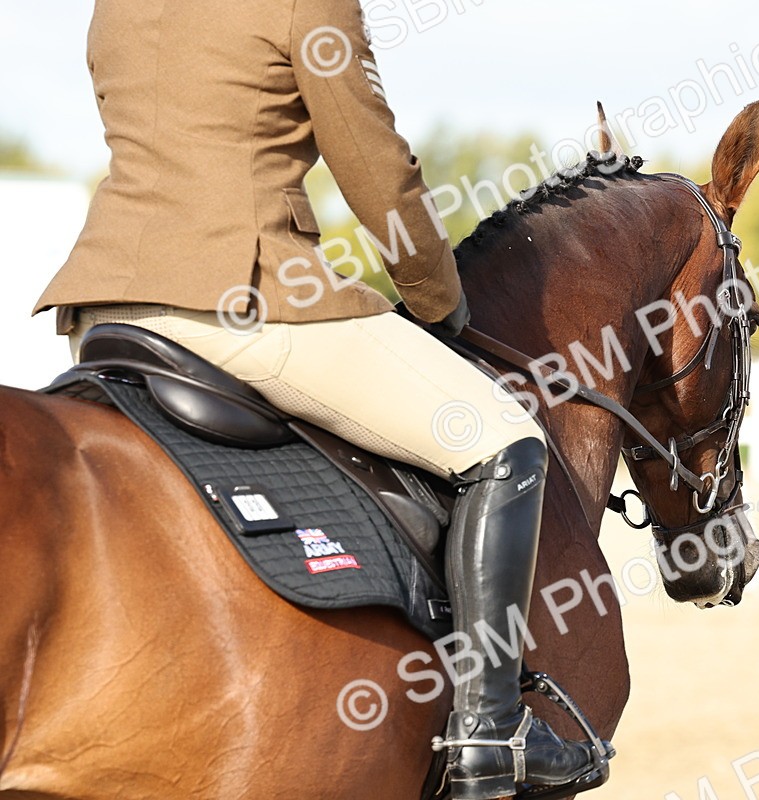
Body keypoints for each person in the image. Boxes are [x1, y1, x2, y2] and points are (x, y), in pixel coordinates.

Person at [33, 1, 598, 797]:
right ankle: (491, 729)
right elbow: (374, 167)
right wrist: (438, 299)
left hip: (106, 308)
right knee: (502, 441)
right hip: (245, 299)